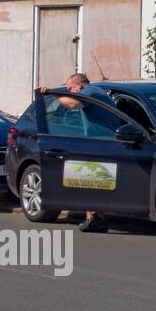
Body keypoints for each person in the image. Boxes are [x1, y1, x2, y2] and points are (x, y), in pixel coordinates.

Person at [39, 73, 110, 233]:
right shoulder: (94, 92)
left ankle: (96, 218)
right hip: (97, 143)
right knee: (90, 180)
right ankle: (93, 218)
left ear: (79, 85)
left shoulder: (91, 91)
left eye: (70, 88)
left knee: (93, 180)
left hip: (104, 144)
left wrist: (54, 93)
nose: (69, 92)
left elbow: (72, 104)